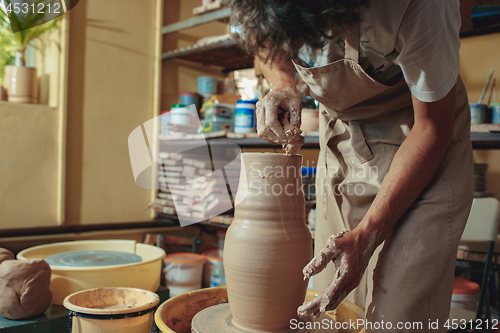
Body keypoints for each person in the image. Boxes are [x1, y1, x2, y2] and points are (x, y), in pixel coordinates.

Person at [225, 0, 474, 331]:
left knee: (398, 316)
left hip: (420, 135)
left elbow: (431, 127)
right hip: (342, 134)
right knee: (333, 311)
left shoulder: (422, 6)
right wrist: (283, 81)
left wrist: (368, 235)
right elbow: (265, 37)